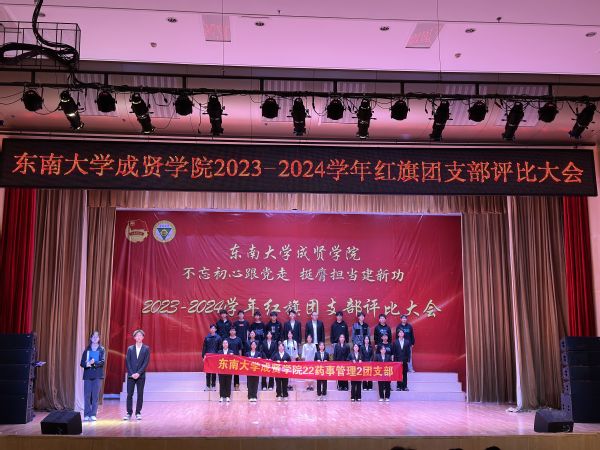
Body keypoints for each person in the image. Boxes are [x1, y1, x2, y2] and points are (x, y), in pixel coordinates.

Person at [124, 329, 150, 420]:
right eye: (137, 335)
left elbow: (146, 362)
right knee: (129, 394)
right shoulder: (130, 348)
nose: (139, 337)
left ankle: (138, 412)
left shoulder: (146, 348)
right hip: (131, 376)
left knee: (140, 394)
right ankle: (129, 413)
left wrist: (139, 373)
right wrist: (132, 373)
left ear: (143, 337)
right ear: (134, 337)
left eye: (140, 335)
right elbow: (128, 362)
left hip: (141, 376)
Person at [80, 330, 105, 421]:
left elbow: (102, 362)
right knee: (87, 395)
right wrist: (87, 364)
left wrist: (94, 363)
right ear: (91, 338)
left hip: (97, 375)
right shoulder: (87, 350)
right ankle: (86, 414)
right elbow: (82, 363)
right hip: (87, 375)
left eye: (97, 337)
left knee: (95, 396)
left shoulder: (101, 349)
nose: (95, 338)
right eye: (93, 337)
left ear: (99, 338)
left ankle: (93, 414)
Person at [202, 324, 222, 391]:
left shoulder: (218, 338)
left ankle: (213, 386)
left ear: (216, 329)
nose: (212, 329)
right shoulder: (207, 337)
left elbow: (220, 348)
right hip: (208, 357)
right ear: (210, 329)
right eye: (211, 328)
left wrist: (219, 356)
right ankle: (207, 386)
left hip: (215, 357)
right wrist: (203, 356)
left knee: (214, 372)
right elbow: (204, 347)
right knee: (208, 371)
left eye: (214, 328)